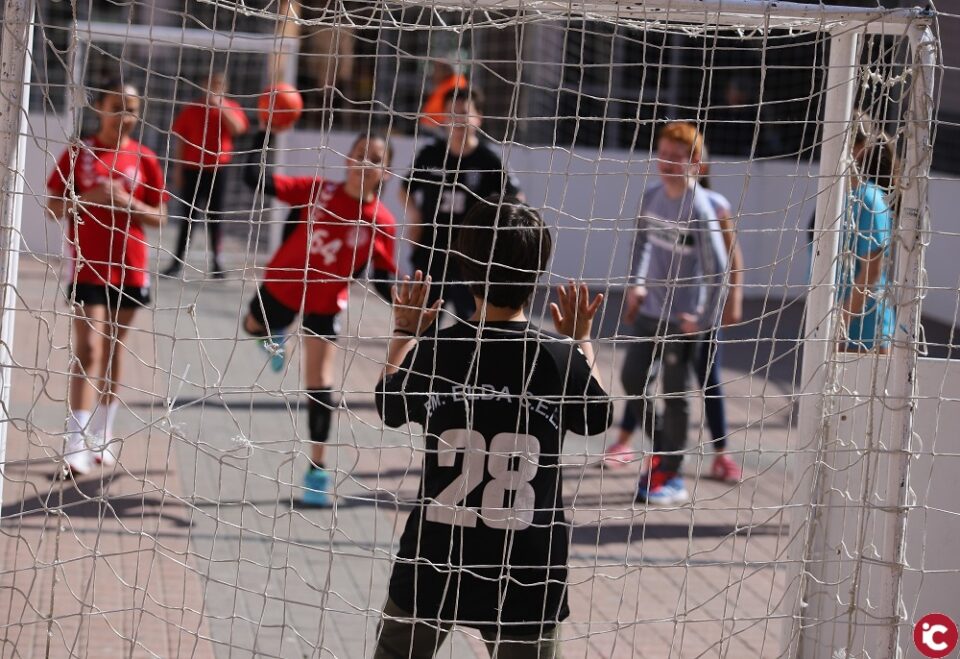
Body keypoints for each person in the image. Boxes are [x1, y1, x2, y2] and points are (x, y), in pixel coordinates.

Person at [374, 199, 612, 658]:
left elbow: (389, 403)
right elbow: (596, 415)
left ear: (463, 268)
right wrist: (580, 337)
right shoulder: (558, 357)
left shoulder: (438, 349)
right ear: (537, 273)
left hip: (435, 560)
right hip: (525, 571)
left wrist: (405, 331)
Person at [240, 128, 396, 506]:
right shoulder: (318, 190)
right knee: (251, 325)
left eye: (376, 159)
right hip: (282, 286)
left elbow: (383, 277)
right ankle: (272, 338)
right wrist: (264, 132)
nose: (365, 163)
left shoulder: (381, 221)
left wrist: (405, 304)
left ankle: (317, 470)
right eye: (360, 153)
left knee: (320, 384)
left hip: (325, 303)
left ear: (386, 172)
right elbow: (254, 179)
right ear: (348, 158)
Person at [45, 80, 169, 475]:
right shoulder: (79, 153)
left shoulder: (145, 157)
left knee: (115, 349)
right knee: (88, 349)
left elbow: (160, 216)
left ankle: (102, 433)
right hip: (87, 266)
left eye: (132, 109)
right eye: (118, 106)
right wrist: (89, 200)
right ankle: (74, 443)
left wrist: (128, 202)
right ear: (100, 107)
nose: (124, 116)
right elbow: (52, 207)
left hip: (131, 267)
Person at [605, 147, 744, 483]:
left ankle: (722, 454)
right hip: (658, 310)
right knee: (641, 376)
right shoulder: (659, 200)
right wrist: (637, 288)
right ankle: (625, 441)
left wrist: (733, 301)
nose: (670, 163)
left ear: (699, 166)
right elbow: (642, 245)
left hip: (696, 312)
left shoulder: (712, 205)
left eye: (681, 157)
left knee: (707, 378)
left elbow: (731, 257)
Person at [401, 86, 522, 322]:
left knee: (470, 321)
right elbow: (405, 188)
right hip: (432, 248)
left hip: (471, 254)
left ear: (479, 118)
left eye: (464, 113)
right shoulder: (431, 154)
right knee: (424, 319)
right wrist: (415, 216)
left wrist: (496, 234)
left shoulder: (489, 161)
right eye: (452, 113)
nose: (457, 119)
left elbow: (515, 199)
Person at [164, 71, 249, 278]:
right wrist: (177, 169)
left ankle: (217, 262)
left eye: (219, 84)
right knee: (188, 217)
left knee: (215, 217)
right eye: (211, 83)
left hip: (218, 170)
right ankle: (177, 262)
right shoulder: (192, 108)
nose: (215, 87)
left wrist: (220, 106)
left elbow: (238, 129)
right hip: (193, 169)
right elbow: (181, 140)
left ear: (225, 87)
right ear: (204, 85)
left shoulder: (232, 107)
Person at [839, 131, 898, 353]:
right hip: (834, 324)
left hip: (862, 333)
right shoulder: (838, 197)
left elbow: (871, 272)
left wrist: (839, 327)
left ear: (858, 149)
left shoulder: (869, 199)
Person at [418, 59, 468, 133]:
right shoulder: (445, 84)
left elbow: (453, 110)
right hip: (432, 126)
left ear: (446, 71)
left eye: (436, 69)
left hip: (442, 127)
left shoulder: (454, 84)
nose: (433, 73)